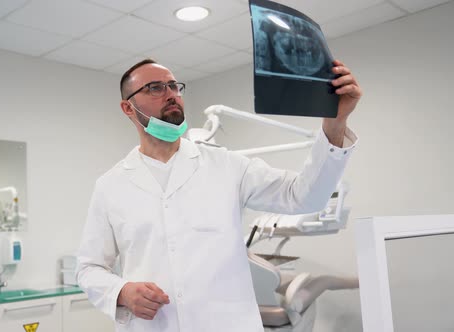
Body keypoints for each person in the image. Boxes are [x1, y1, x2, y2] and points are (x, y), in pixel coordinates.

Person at [76, 58, 361, 332]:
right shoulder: (111, 186)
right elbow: (89, 268)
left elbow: (304, 196)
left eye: (174, 86)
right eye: (155, 87)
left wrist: (335, 123)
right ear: (128, 108)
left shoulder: (228, 166)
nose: (171, 94)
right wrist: (122, 292)